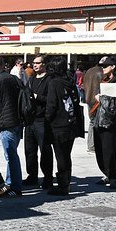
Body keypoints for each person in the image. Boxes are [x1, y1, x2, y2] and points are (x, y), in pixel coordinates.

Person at [0, 54, 23, 197]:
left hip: (5, 121)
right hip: (18, 120)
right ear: (3, 65)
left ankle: (15, 186)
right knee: (11, 154)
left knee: (11, 155)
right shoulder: (14, 78)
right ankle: (9, 183)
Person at [88, 56, 116, 188]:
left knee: (109, 149)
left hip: (110, 120)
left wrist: (103, 98)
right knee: (99, 149)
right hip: (99, 118)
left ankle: (113, 176)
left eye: (105, 66)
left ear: (113, 67)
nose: (102, 69)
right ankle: (106, 174)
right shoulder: (105, 80)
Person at [45, 56, 78, 196]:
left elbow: (52, 105)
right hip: (70, 123)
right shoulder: (70, 81)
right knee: (66, 155)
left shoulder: (54, 83)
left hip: (58, 125)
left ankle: (63, 185)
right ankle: (66, 182)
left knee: (61, 156)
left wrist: (47, 118)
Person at [23, 56, 54, 189]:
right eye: (33, 63)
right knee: (29, 150)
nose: (34, 65)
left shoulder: (50, 79)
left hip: (42, 119)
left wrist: (37, 97)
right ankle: (32, 175)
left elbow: (52, 100)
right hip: (30, 119)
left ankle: (48, 177)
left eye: (37, 63)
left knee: (45, 149)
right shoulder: (31, 79)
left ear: (44, 64)